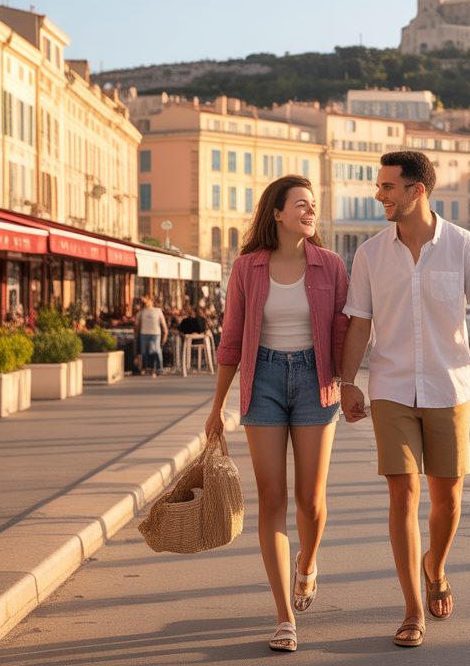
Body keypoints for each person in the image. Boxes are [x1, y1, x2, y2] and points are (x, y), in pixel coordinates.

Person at [338, 150, 470, 649]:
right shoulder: (370, 253)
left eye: (388, 187)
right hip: (391, 387)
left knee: (448, 498)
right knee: (403, 495)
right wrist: (347, 380)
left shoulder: (463, 246)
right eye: (380, 187)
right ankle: (413, 607)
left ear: (417, 190)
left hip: (449, 386)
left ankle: (434, 566)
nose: (380, 196)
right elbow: (359, 321)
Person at [205, 175, 350, 653]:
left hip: (315, 381)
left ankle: (306, 565)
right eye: (301, 205)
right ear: (277, 213)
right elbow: (230, 340)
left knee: (310, 499)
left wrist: (348, 386)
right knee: (272, 498)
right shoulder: (247, 267)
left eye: (313, 205)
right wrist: (217, 406)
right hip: (262, 380)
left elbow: (345, 332)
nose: (310, 211)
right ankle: (285, 616)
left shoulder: (330, 265)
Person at [135, 295, 168, 377]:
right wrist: (136, 334)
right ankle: (146, 368)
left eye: (147, 300)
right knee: (144, 352)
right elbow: (137, 325)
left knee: (156, 350)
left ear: (151, 301)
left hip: (155, 334)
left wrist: (165, 333)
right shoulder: (141, 312)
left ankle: (159, 368)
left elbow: (163, 324)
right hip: (144, 334)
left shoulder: (158, 311)